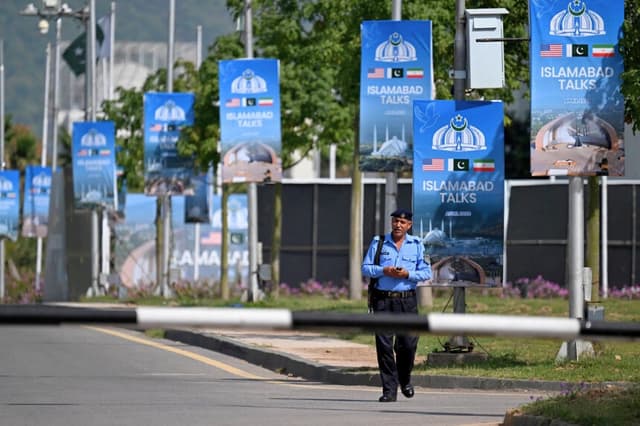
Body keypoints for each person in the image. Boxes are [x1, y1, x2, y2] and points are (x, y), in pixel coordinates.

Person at [361, 208, 432, 402]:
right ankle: (389, 391)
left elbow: (426, 272)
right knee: (384, 346)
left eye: (402, 222)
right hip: (383, 300)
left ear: (409, 225)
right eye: (395, 221)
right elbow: (366, 268)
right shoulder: (379, 242)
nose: (398, 225)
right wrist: (384, 270)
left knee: (407, 344)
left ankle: (405, 378)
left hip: (407, 300)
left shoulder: (417, 245)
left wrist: (407, 274)